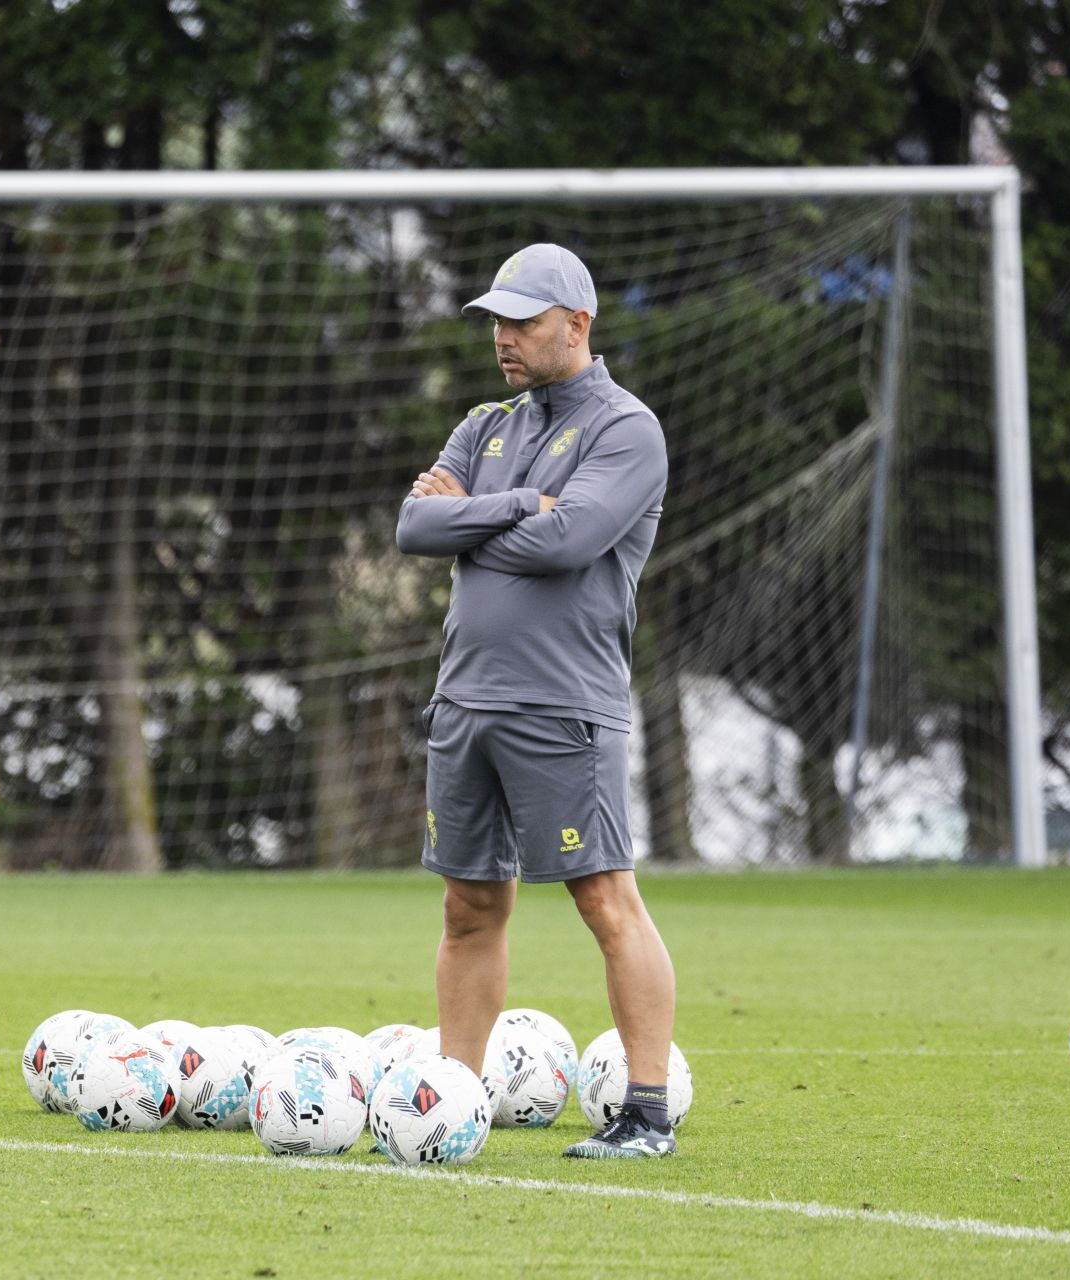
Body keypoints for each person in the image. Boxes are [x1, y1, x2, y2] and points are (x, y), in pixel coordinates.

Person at [396, 243, 677, 1158]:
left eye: (523, 322)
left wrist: (473, 517)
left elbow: (571, 542)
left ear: (578, 326)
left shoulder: (626, 429)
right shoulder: (486, 422)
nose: (504, 338)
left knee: (604, 899)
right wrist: (523, 504)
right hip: (464, 702)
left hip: (563, 707)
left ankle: (644, 1112)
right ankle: (455, 1105)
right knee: (468, 909)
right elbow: (413, 525)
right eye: (497, 322)